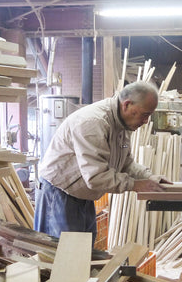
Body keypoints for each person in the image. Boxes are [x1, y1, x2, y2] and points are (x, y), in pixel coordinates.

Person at [34, 81, 170, 240]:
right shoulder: (92, 123)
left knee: (84, 254)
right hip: (60, 194)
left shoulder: (122, 126)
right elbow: (96, 177)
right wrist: (136, 185)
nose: (146, 121)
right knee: (63, 257)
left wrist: (149, 177)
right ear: (126, 105)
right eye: (145, 114)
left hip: (82, 195)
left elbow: (126, 164)